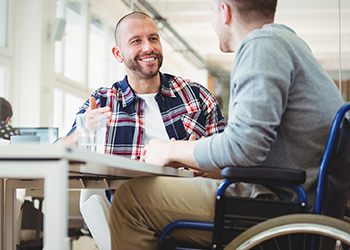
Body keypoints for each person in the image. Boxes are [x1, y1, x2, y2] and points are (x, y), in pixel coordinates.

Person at [109, 0, 345, 249]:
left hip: (280, 208)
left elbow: (243, 147)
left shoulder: (261, 46)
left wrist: (169, 149)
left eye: (211, 11)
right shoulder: (288, 43)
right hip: (297, 200)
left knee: (130, 199)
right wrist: (199, 160)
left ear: (224, 11)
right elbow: (260, 148)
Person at [56, 12, 225, 202]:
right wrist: (78, 135)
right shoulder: (102, 102)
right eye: (136, 41)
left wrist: (205, 168)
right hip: (127, 211)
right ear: (118, 54)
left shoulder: (197, 96)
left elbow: (230, 165)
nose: (148, 47)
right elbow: (56, 156)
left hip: (190, 208)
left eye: (153, 38)